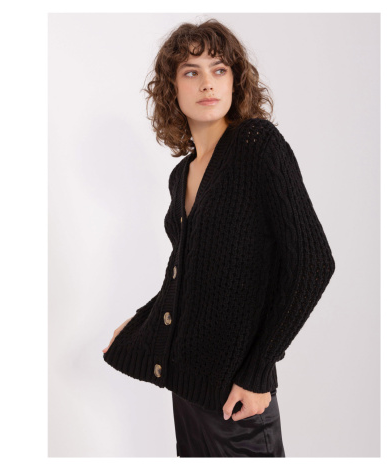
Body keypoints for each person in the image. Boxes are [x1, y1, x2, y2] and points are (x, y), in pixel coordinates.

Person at [102, 18, 336, 458]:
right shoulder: (181, 175)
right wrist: (141, 321)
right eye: (191, 71)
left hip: (238, 398)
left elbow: (313, 263)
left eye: (219, 69)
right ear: (172, 88)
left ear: (235, 80)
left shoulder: (257, 145)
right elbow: (190, 278)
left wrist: (258, 371)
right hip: (189, 390)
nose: (207, 82)